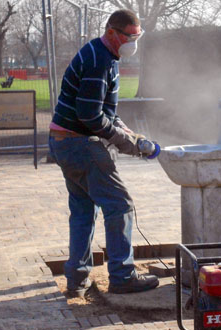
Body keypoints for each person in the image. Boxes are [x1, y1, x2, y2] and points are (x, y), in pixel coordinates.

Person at [48, 9, 159, 298]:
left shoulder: (101, 55)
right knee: (120, 205)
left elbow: (107, 113)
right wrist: (124, 141)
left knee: (84, 209)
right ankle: (122, 276)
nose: (133, 42)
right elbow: (90, 116)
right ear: (112, 33)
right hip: (80, 144)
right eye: (129, 37)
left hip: (63, 142)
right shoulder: (99, 61)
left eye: (137, 36)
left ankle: (77, 277)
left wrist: (134, 137)